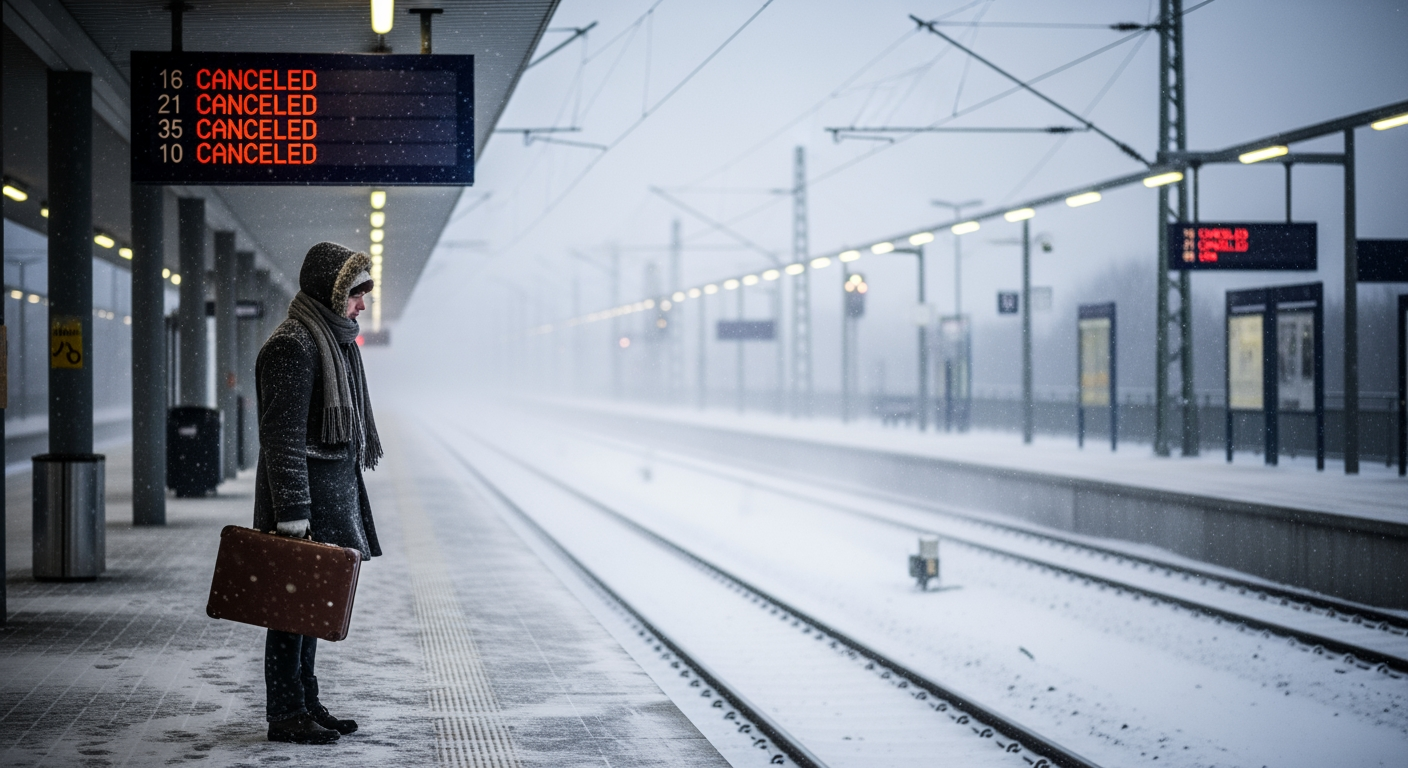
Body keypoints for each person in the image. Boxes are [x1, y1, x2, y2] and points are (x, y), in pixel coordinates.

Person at [253, 242, 383, 744]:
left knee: (310, 608)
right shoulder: (294, 345)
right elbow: (280, 437)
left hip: (324, 502)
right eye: (356, 293)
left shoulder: (332, 342)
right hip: (302, 508)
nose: (362, 305)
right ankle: (286, 713)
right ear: (331, 292)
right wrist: (292, 514)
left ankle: (306, 702)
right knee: (289, 614)